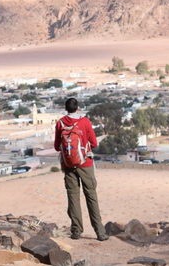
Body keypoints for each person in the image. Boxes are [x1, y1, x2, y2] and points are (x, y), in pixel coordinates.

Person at [54, 97, 106, 241]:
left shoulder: (61, 123)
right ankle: (100, 232)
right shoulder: (85, 122)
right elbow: (94, 143)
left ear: (66, 108)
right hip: (85, 164)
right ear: (77, 107)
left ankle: (76, 231)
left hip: (68, 165)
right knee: (91, 197)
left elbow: (56, 145)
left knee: (73, 198)